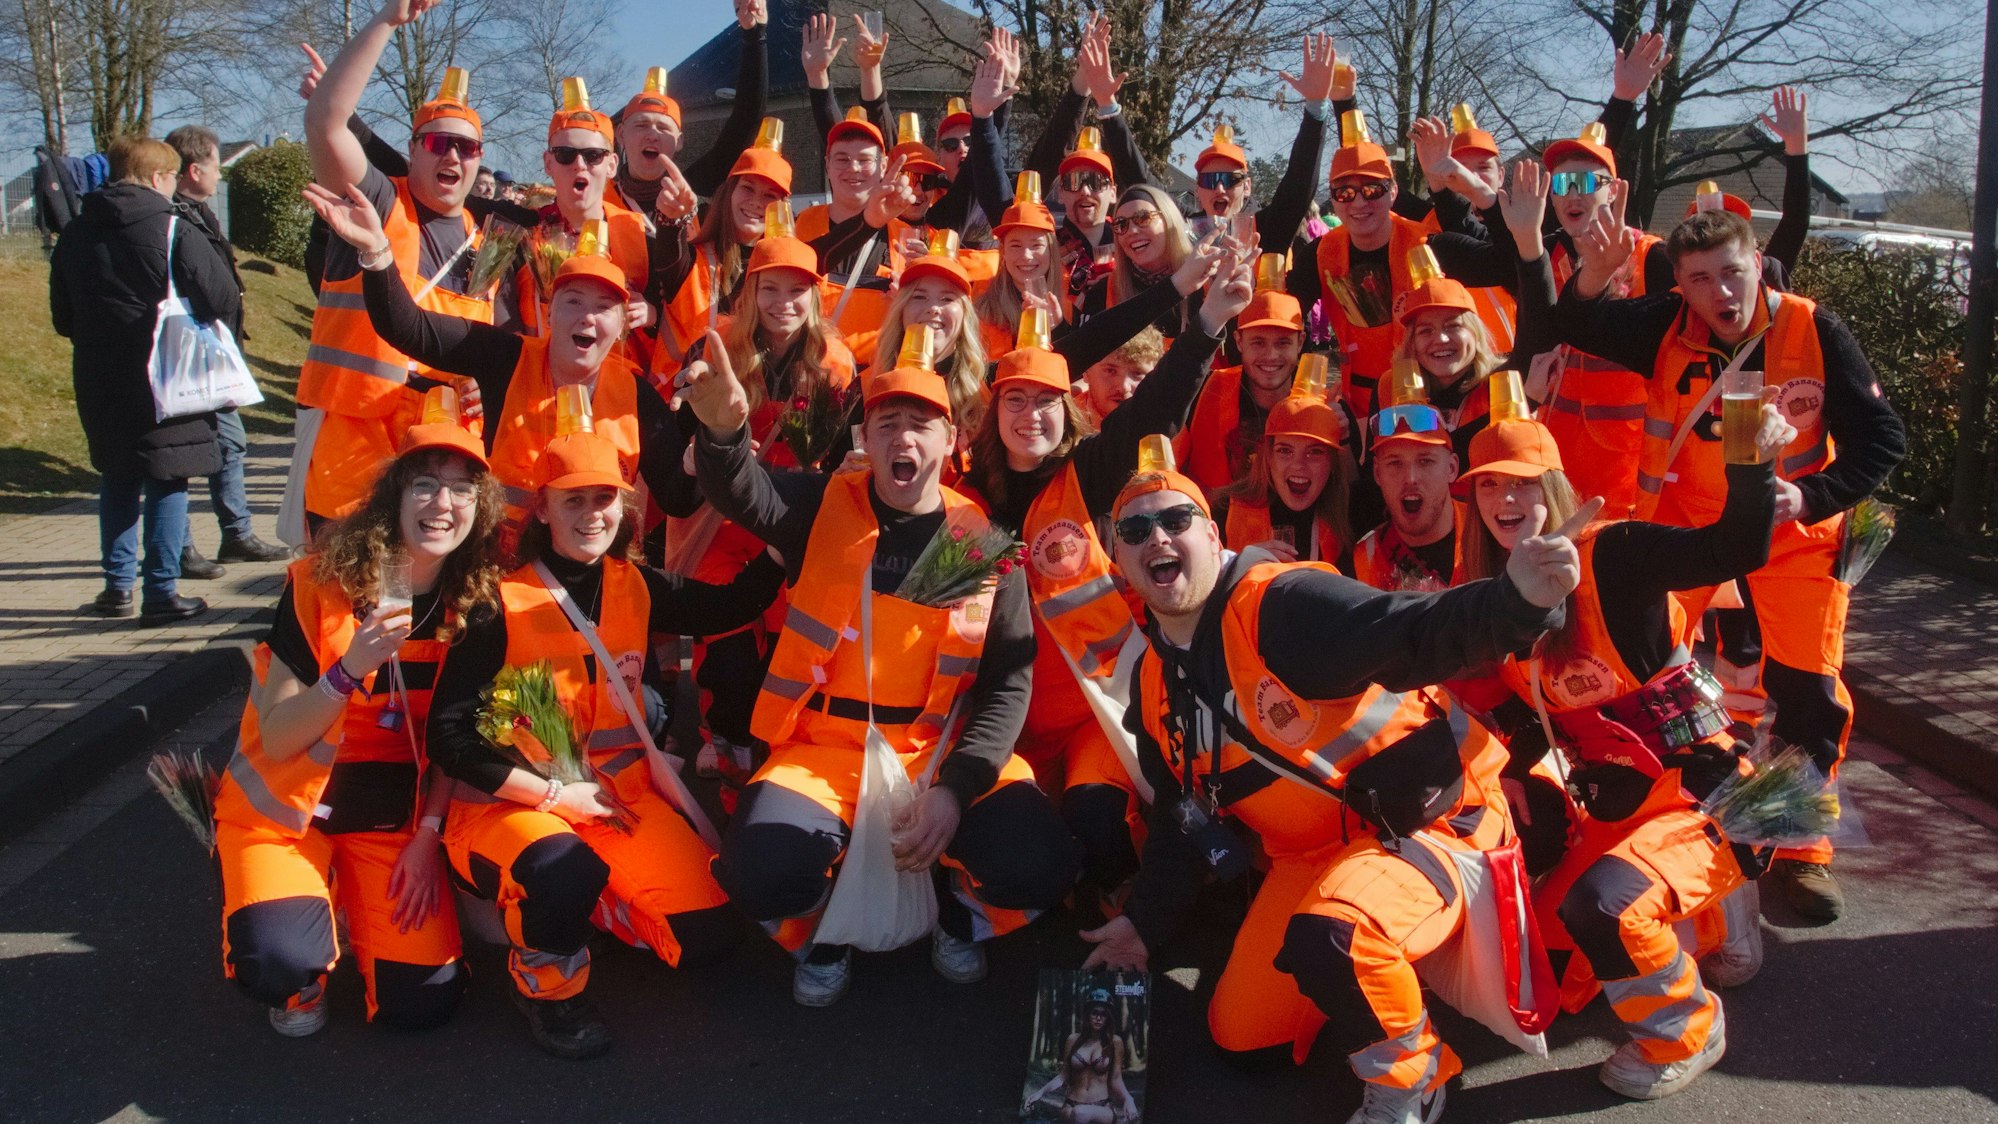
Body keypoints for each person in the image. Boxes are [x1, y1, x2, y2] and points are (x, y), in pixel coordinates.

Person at [1080, 447, 1584, 1123]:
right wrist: (1141, 926)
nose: (1158, 538)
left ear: (1213, 534)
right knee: (1242, 1035)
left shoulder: (1281, 606)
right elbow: (1181, 814)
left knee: (1334, 938)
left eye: (1176, 519)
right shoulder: (1153, 683)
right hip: (1310, 857)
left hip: (1430, 824)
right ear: (1120, 561)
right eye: (1135, 532)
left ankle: (1416, 1077)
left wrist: (1514, 602)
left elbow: (1408, 630)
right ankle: (1370, 976)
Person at [680, 327, 1080, 1008]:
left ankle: (958, 913)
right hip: (824, 752)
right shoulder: (820, 507)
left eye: (922, 423)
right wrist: (722, 432)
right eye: (887, 423)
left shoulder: (978, 541)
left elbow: (1006, 682)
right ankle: (823, 931)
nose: (904, 439)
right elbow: (741, 491)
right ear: (866, 440)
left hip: (936, 747)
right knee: (759, 874)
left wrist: (955, 788)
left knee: (1041, 863)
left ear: (951, 441)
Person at [1551, 205, 1906, 923]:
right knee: (1644, 673)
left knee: (1809, 686)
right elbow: (1576, 325)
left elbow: (1883, 440)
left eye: (1732, 273)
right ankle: (1658, 820)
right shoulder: (1664, 324)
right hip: (1690, 525)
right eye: (1701, 279)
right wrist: (1589, 276)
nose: (1721, 293)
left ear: (1757, 267)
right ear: (1680, 285)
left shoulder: (1813, 329)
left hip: (1794, 532)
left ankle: (1801, 853)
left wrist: (1808, 496)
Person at [1454, 411, 1791, 1100]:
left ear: (1554, 482)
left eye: (1521, 484)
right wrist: (1518, 777)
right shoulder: (1498, 595)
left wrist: (1752, 459)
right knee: (1544, 966)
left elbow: (1732, 550)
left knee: (1602, 911)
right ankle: (1699, 916)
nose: (1505, 502)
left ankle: (1687, 1029)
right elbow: (1515, 707)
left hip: (1707, 791)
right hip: (1614, 807)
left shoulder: (1617, 554)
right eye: (1488, 488)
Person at [425, 427, 785, 1058]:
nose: (592, 515)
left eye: (604, 499)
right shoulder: (498, 602)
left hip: (620, 801)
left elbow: (731, 606)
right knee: (561, 873)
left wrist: (788, 538)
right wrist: (555, 796)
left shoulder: (636, 584)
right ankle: (548, 988)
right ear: (542, 508)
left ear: (624, 507)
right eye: (573, 500)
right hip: (513, 808)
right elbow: (448, 738)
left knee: (709, 938)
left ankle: (589, 904)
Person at [959, 245, 1249, 917]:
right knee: (1022, 848)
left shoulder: (1089, 472)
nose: (1032, 415)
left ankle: (1117, 893)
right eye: (1017, 401)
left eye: (1047, 403)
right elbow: (934, 611)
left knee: (1097, 822)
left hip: (1100, 711)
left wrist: (1205, 324)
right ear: (993, 413)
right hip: (1005, 718)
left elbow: (1157, 404)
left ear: (1071, 410)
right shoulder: (969, 504)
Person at [212, 405, 497, 1038]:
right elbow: (283, 735)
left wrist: (427, 838)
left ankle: (344, 904)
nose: (442, 503)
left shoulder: (477, 602)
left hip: (390, 821)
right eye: (424, 483)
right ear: (393, 497)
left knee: (423, 1003)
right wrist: (349, 669)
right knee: (280, 960)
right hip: (286, 813)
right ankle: (294, 961)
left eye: (461, 487)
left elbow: (457, 741)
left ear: (481, 508)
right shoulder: (318, 584)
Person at [303, 180, 663, 555]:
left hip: (590, 581)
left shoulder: (636, 397)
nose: (587, 317)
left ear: (622, 324)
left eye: (604, 306)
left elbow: (679, 495)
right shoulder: (505, 357)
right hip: (496, 575)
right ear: (551, 313)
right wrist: (377, 252)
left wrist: (716, 430)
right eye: (573, 301)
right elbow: (407, 327)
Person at [298, 0, 494, 530]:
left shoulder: (492, 243)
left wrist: (484, 383)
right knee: (346, 598)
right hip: (355, 447)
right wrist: (386, 20)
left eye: (466, 147)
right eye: (437, 143)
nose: (452, 157)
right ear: (413, 149)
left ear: (479, 158)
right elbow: (325, 120)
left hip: (444, 452)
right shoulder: (380, 203)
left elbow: (494, 346)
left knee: (428, 601)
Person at [52, 135, 239, 626]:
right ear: (159, 178)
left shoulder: (74, 232)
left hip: (99, 375)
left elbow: (62, 315)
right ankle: (160, 592)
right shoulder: (173, 227)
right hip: (168, 373)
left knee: (116, 477)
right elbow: (222, 297)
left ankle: (116, 589)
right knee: (167, 478)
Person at [165, 124, 291, 571]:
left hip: (217, 355)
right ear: (194, 168)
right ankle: (179, 547)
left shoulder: (200, 213)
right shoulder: (174, 218)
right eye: (217, 165)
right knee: (177, 454)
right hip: (189, 355)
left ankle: (235, 533)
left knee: (231, 443)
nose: (221, 174)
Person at [1213, 368, 1354, 566]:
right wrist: (1237, 565)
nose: (1298, 465)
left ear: (1332, 462)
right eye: (1284, 451)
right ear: (1268, 457)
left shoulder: (1349, 516)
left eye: (1314, 452)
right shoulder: (1223, 510)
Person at [1351, 404, 1460, 592]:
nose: (1410, 478)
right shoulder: (1364, 558)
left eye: (1425, 461)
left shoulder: (1490, 534)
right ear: (1377, 473)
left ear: (1451, 468)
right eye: (1395, 463)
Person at [1024, 988, 1141, 1122]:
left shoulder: (1115, 1042)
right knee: (1077, 1113)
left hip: (1102, 1107)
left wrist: (1128, 1099)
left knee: (1081, 1113)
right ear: (1087, 1015)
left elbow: (1116, 1079)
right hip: (1070, 1106)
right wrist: (1040, 1092)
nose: (1098, 1018)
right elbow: (1063, 1075)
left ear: (1108, 1017)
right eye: (1094, 1013)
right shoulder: (1073, 1040)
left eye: (1103, 1014)